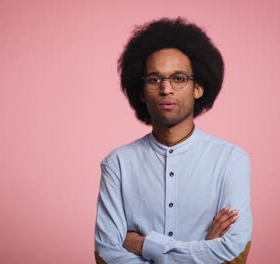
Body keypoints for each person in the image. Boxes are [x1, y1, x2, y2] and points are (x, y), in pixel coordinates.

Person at [94, 17, 252, 264]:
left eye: (178, 78)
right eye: (154, 79)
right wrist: (205, 249)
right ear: (141, 92)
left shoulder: (231, 160)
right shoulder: (118, 164)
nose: (166, 89)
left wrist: (145, 244)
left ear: (197, 87)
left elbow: (234, 253)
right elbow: (107, 254)